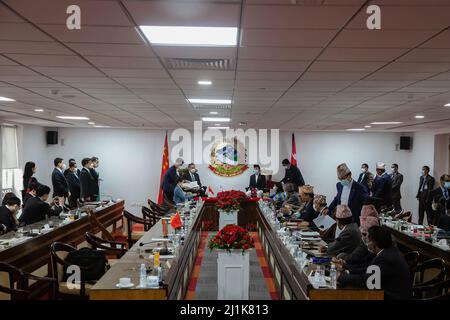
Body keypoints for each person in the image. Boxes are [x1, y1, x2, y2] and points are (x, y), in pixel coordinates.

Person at [337, 226, 413, 300]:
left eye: (367, 241)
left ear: (374, 242)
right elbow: (367, 270)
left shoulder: (385, 258)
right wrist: (344, 267)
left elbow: (367, 280)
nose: (366, 244)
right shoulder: (389, 250)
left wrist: (341, 277)